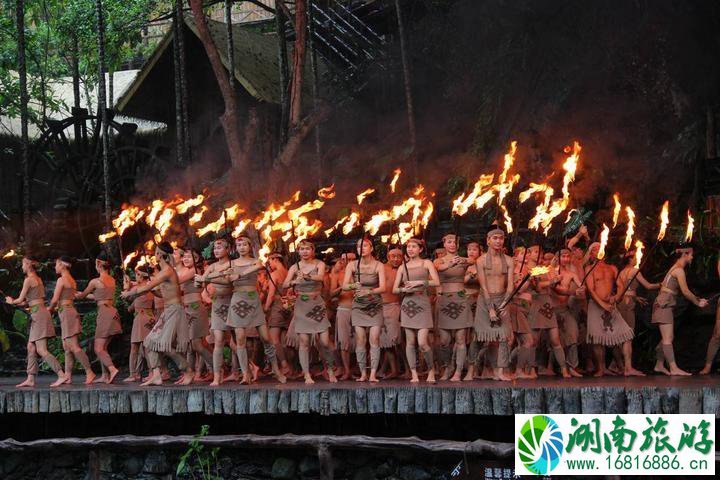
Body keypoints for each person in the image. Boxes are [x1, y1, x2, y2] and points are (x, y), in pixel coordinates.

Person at [121, 242, 193, 386]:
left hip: (174, 310)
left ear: (159, 255)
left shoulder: (167, 271)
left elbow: (146, 287)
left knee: (164, 345)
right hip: (168, 310)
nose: (155, 254)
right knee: (150, 342)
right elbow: (160, 293)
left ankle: (188, 371)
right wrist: (148, 290)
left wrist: (129, 293)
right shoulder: (164, 272)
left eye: (156, 252)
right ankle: (156, 375)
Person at [226, 235, 286, 384]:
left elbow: (258, 267)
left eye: (244, 245)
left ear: (249, 246)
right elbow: (225, 278)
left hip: (253, 301)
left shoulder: (256, 261)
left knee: (266, 338)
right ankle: (246, 373)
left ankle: (276, 369)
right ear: (236, 248)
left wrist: (239, 274)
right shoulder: (231, 263)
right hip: (238, 300)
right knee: (240, 339)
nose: (242, 248)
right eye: (239, 245)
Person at [282, 240, 337, 384]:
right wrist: (294, 282)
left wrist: (307, 277)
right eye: (302, 249)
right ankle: (306, 374)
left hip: (317, 304)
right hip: (301, 305)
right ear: (298, 251)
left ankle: (330, 369)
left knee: (325, 341)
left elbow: (320, 277)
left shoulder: (319, 264)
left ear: (312, 250)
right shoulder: (295, 267)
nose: (305, 251)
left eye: (307, 249)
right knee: (304, 341)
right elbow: (284, 284)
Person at [585, 242, 643, 377]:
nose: (599, 250)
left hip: (611, 306)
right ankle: (601, 368)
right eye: (595, 249)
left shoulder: (612, 268)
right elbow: (591, 290)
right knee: (597, 338)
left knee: (627, 335)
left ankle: (628, 368)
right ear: (591, 254)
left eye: (601, 247)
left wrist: (616, 298)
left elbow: (620, 286)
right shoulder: (589, 268)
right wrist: (602, 304)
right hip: (596, 305)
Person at [7, 256, 66, 388]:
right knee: (31, 347)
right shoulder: (38, 279)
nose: (22, 266)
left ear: (28, 264)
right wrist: (19, 303)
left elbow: (20, 299)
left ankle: (62, 375)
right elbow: (29, 301)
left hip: (39, 315)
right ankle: (30, 378)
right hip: (39, 312)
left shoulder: (28, 280)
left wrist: (12, 301)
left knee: (41, 349)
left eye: (23, 264)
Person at [652, 247, 708, 376]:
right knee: (668, 338)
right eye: (691, 255)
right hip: (663, 305)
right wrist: (698, 303)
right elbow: (686, 292)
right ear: (685, 255)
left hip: (664, 304)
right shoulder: (679, 270)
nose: (692, 257)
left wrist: (699, 299)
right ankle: (673, 368)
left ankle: (659, 365)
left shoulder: (675, 267)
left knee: (667, 337)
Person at [392, 237, 440, 383]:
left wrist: (419, 282)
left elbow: (436, 282)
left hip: (422, 302)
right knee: (410, 342)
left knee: (422, 342)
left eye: (414, 246)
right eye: (408, 247)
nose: (410, 249)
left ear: (420, 249)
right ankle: (414, 373)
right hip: (408, 305)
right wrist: (403, 289)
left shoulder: (427, 263)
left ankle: (431, 370)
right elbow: (394, 289)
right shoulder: (402, 267)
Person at [343, 238, 386, 382]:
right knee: (360, 339)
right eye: (358, 246)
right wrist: (353, 285)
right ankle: (363, 374)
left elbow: (383, 287)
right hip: (358, 306)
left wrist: (369, 291)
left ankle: (373, 373)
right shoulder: (352, 265)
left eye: (365, 246)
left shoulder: (378, 265)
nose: (361, 248)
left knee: (374, 338)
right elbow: (344, 286)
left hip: (374, 305)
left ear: (371, 248)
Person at [474, 228, 514, 381]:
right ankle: (475, 367)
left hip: (503, 299)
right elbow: (483, 287)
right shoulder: (481, 260)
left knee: (504, 336)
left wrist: (505, 304)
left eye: (501, 238)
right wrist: (490, 309)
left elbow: (510, 286)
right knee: (486, 337)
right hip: (485, 300)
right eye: (495, 238)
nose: (498, 241)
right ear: (488, 240)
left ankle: (500, 371)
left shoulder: (509, 260)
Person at [75, 252, 121, 384]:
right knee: (103, 347)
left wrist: (74, 294)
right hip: (112, 312)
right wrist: (81, 294)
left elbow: (83, 295)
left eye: (96, 263)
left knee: (98, 348)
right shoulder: (112, 280)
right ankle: (105, 375)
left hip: (105, 314)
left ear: (99, 264)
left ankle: (112, 369)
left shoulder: (95, 281)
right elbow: (99, 297)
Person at [49, 256, 95, 384]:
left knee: (73, 346)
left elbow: (54, 299)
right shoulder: (72, 280)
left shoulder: (62, 280)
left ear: (62, 265)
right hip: (67, 312)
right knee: (67, 347)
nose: (55, 267)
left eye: (56, 264)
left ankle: (89, 371)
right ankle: (68, 375)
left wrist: (49, 309)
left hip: (67, 313)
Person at [195, 238, 234, 386]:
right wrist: (198, 281)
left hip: (232, 303)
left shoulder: (233, 264)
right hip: (217, 305)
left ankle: (248, 369)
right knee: (218, 340)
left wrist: (209, 278)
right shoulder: (211, 267)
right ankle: (218, 375)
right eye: (215, 248)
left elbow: (229, 281)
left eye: (220, 248)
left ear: (228, 249)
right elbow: (201, 282)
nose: (217, 250)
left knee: (236, 341)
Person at [433, 234, 472, 382]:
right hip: (445, 301)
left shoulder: (464, 260)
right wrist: (450, 264)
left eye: (455, 242)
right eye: (449, 242)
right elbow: (439, 267)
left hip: (461, 299)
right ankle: (447, 367)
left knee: (461, 338)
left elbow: (473, 260)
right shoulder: (439, 260)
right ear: (444, 243)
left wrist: (462, 260)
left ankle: (458, 371)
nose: (452, 244)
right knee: (444, 340)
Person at [177, 248, 214, 383]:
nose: (185, 259)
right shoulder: (186, 272)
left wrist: (165, 274)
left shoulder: (195, 272)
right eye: (184, 257)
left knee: (197, 344)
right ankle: (206, 370)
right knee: (198, 343)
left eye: (189, 257)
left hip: (196, 308)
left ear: (196, 260)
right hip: (187, 310)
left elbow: (177, 280)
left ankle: (216, 369)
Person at [552, 248, 586, 377]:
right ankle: (559, 367)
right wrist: (573, 292)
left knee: (573, 334)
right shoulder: (551, 272)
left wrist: (581, 288)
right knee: (556, 340)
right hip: (551, 310)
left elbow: (580, 285)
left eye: (568, 256)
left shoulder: (571, 274)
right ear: (558, 257)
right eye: (563, 256)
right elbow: (555, 290)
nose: (566, 259)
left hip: (565, 309)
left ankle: (571, 366)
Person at [122, 266, 155, 382]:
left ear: (142, 276)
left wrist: (127, 288)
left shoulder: (146, 287)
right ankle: (135, 373)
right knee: (137, 348)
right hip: (141, 318)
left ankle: (150, 372)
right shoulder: (142, 287)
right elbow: (129, 302)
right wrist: (127, 284)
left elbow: (130, 293)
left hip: (144, 319)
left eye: (137, 274)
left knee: (144, 348)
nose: (135, 276)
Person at [265, 253, 292, 377]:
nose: (269, 263)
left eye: (270, 260)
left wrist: (265, 308)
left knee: (274, 339)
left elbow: (271, 295)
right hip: (289, 306)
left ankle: (285, 366)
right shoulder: (289, 272)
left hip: (277, 306)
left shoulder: (274, 274)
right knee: (285, 339)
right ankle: (293, 367)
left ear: (275, 259)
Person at [380, 247, 403, 379]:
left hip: (395, 307)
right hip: (380, 307)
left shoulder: (403, 270)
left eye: (398, 256)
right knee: (385, 342)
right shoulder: (381, 268)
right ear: (388, 257)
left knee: (397, 340)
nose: (396, 259)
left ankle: (405, 369)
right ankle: (394, 370)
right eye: (393, 256)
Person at [330, 253, 354, 380]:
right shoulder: (337, 275)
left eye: (351, 259)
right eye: (346, 259)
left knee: (360, 341)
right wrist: (343, 286)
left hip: (359, 310)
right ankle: (347, 370)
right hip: (344, 309)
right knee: (344, 342)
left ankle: (361, 370)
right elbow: (331, 293)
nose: (349, 261)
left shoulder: (359, 273)